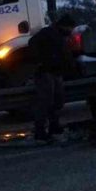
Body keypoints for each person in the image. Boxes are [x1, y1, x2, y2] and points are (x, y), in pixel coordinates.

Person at [29, 14, 76, 142]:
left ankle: (53, 126)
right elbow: (33, 44)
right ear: (64, 26)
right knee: (46, 102)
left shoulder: (59, 35)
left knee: (57, 100)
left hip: (55, 72)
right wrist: (41, 62)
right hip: (46, 72)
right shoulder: (48, 33)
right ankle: (41, 130)